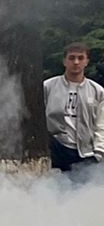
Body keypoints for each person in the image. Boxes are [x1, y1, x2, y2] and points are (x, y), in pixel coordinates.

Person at [43, 43, 104, 176]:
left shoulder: (98, 91)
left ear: (87, 61)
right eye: (71, 58)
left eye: (80, 58)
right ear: (64, 61)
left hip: (86, 153)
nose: (76, 62)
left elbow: (101, 125)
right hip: (57, 150)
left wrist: (99, 152)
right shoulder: (48, 87)